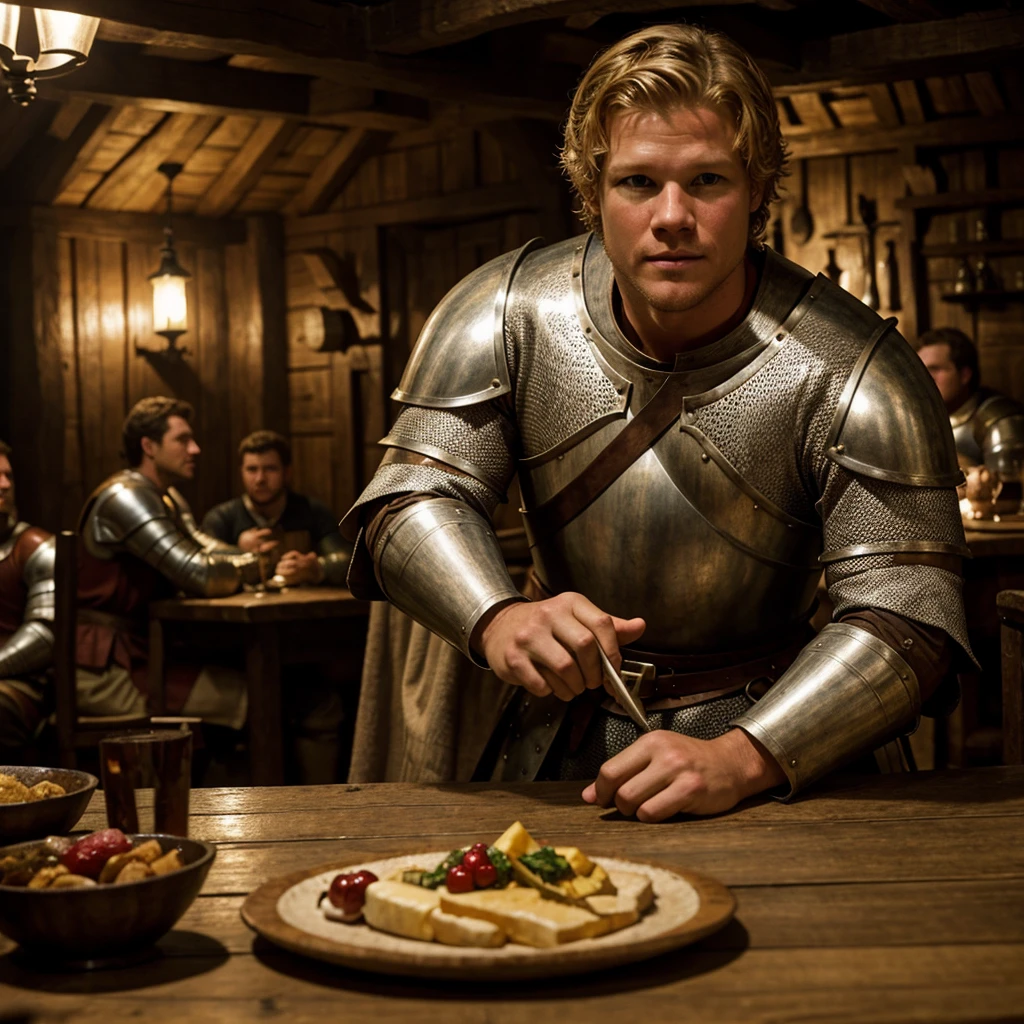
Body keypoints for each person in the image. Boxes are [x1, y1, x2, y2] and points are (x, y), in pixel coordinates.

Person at [342, 24, 973, 820]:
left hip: (786, 755)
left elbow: (909, 613)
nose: (671, 215)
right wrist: (497, 616)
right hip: (554, 745)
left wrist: (746, 755)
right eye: (638, 182)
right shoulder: (505, 313)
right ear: (592, 191)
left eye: (707, 179)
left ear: (756, 191)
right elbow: (407, 497)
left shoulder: (857, 369)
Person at [77, 397, 342, 781]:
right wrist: (262, 563)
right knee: (267, 700)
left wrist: (250, 560)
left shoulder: (164, 496)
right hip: (107, 670)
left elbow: (210, 550)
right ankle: (276, 816)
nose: (195, 449)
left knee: (282, 692)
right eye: (182, 440)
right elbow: (198, 573)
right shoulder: (126, 496)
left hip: (144, 655)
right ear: (148, 446)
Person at [201, 431, 351, 587]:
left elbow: (347, 559)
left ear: (287, 472)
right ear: (241, 472)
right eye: (252, 469)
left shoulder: (312, 511)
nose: (260, 479)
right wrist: (240, 552)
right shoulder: (222, 518)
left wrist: (317, 568)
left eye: (270, 469)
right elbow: (203, 565)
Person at [0, 440, 55, 757]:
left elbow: (44, 634)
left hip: (22, 683)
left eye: (9, 476)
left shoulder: (34, 546)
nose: (5, 485)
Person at [914, 327, 1024, 473]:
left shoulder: (999, 416)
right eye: (921, 371)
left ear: (965, 375)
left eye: (935, 369)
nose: (925, 379)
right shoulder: (914, 418)